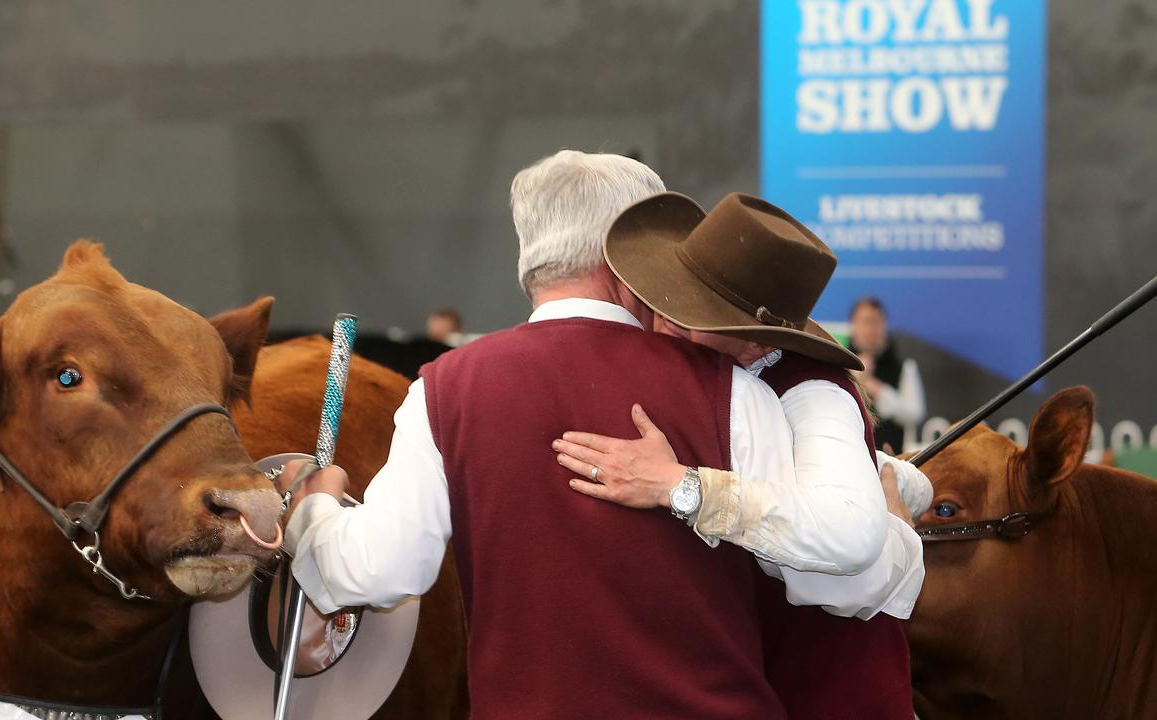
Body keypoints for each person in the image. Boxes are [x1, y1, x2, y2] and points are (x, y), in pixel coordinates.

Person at [279, 152, 898, 718]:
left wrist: (311, 511)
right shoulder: (740, 393)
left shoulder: (442, 392)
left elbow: (379, 569)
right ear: (626, 260)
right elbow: (836, 576)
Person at [552, 191, 933, 719]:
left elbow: (848, 536)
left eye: (688, 320)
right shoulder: (720, 373)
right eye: (665, 307)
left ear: (756, 343)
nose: (663, 329)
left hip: (830, 697)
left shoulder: (812, 392)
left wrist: (681, 486)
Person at [849, 296, 926, 453]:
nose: (871, 329)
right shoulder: (839, 362)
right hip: (850, 454)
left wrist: (878, 389)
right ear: (853, 325)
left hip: (892, 457)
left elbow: (915, 413)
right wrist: (852, 380)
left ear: (884, 325)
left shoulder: (903, 366)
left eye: (876, 322)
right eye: (865, 322)